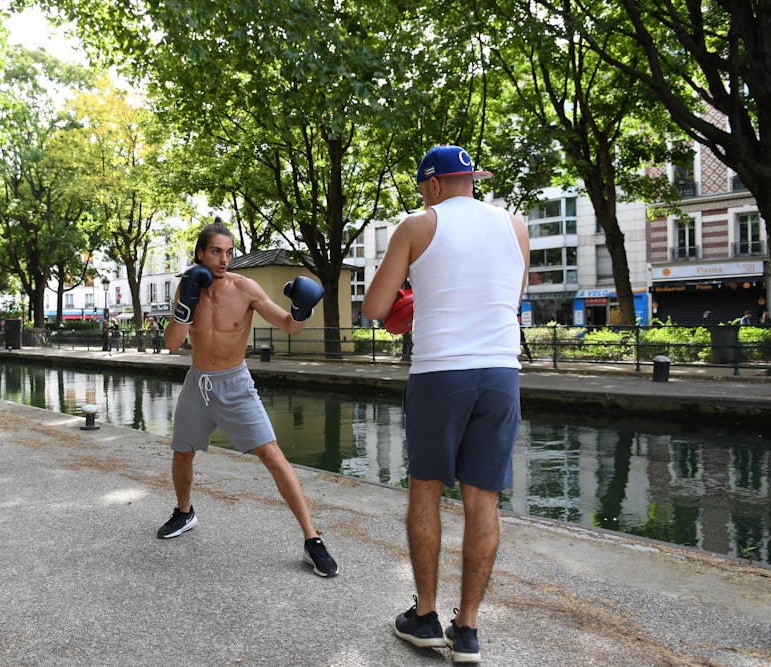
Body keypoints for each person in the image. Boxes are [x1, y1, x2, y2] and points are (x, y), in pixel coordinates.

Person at [363, 145, 529, 662]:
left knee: (426, 491)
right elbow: (511, 295)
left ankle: (426, 616)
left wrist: (418, 298)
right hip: (502, 373)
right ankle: (469, 629)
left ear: (432, 185)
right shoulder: (515, 224)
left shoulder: (416, 225)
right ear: (470, 180)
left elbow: (374, 307)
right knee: (484, 501)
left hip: (440, 372)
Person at [157, 222, 339, 578]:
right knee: (182, 452)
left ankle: (312, 540)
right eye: (216, 252)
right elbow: (172, 344)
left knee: (273, 456)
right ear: (200, 253)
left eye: (229, 252)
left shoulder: (246, 289)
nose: (224, 259)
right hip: (198, 383)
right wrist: (185, 307)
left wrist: (302, 310)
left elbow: (289, 326)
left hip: (235, 384)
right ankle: (184, 511)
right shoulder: (187, 285)